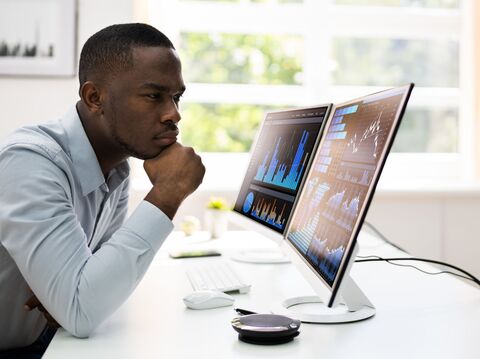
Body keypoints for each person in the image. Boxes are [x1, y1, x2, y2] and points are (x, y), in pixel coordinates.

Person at [0, 23, 205, 357]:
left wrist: (74, 295)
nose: (174, 114)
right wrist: (168, 193)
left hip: (47, 341)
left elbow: (97, 284)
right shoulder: (31, 160)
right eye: (154, 96)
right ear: (95, 98)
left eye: (176, 97)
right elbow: (82, 309)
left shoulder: (116, 169)